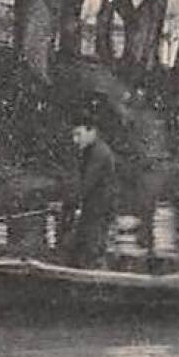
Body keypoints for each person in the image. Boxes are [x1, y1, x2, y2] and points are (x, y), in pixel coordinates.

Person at [63, 96, 118, 268]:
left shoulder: (99, 154)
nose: (75, 140)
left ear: (91, 131)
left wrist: (66, 204)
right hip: (92, 210)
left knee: (91, 252)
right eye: (73, 135)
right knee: (78, 250)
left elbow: (85, 185)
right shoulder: (90, 151)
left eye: (78, 134)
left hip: (99, 212)